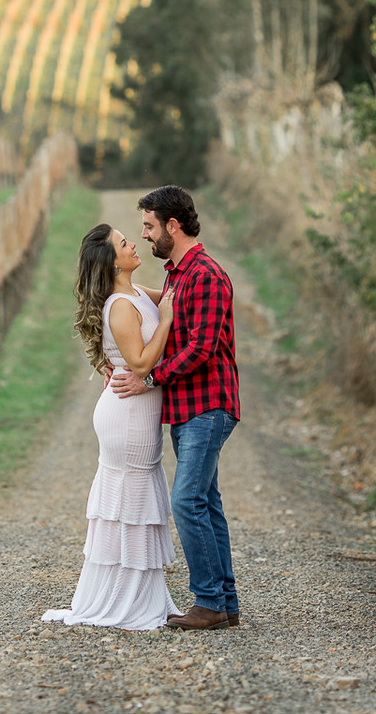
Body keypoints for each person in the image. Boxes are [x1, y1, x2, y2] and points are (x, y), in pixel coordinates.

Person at [110, 185, 240, 631]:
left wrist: (149, 378)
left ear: (172, 225)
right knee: (206, 502)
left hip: (208, 406)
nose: (144, 235)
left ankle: (207, 602)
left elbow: (202, 348)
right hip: (189, 409)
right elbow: (156, 300)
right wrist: (115, 285)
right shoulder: (178, 274)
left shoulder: (204, 274)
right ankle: (224, 603)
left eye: (148, 226)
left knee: (185, 501)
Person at [43, 223, 181, 630]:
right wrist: (168, 321)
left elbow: (175, 298)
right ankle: (125, 600)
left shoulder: (136, 293)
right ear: (111, 261)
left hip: (135, 409)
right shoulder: (120, 305)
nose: (133, 243)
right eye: (124, 243)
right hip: (126, 413)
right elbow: (140, 364)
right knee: (129, 501)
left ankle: (136, 594)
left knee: (133, 503)